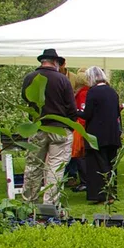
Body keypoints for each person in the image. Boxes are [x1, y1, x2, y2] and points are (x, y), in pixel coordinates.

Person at [21, 49, 78, 206]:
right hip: (59, 128)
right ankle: (49, 206)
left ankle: (28, 204)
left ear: (42, 61)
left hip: (37, 127)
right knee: (55, 168)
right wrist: (70, 125)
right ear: (56, 62)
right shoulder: (62, 79)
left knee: (33, 166)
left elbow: (25, 99)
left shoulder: (30, 78)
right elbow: (71, 107)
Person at [81, 66, 122, 205]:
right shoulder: (112, 92)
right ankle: (111, 193)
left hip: (97, 135)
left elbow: (88, 114)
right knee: (111, 164)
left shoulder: (93, 92)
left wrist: (75, 112)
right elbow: (117, 113)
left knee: (98, 165)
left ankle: (101, 194)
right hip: (112, 134)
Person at [67, 69, 89, 192]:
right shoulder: (84, 91)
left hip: (80, 127)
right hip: (82, 127)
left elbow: (82, 112)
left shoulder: (82, 93)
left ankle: (84, 181)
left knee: (80, 155)